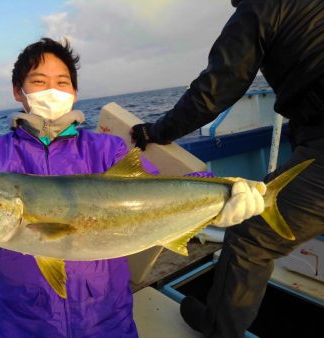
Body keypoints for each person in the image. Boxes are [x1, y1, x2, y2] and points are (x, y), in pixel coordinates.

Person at [0, 38, 264, 337]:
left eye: (62, 82)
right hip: (26, 322)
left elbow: (159, 189)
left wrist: (227, 191)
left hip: (107, 317)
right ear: (18, 92)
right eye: (39, 81)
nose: (52, 91)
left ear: (74, 91)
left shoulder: (106, 149)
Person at [131, 0, 323, 337]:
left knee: (251, 235)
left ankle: (219, 328)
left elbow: (216, 89)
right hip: (311, 132)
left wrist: (155, 132)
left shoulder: (259, 9)